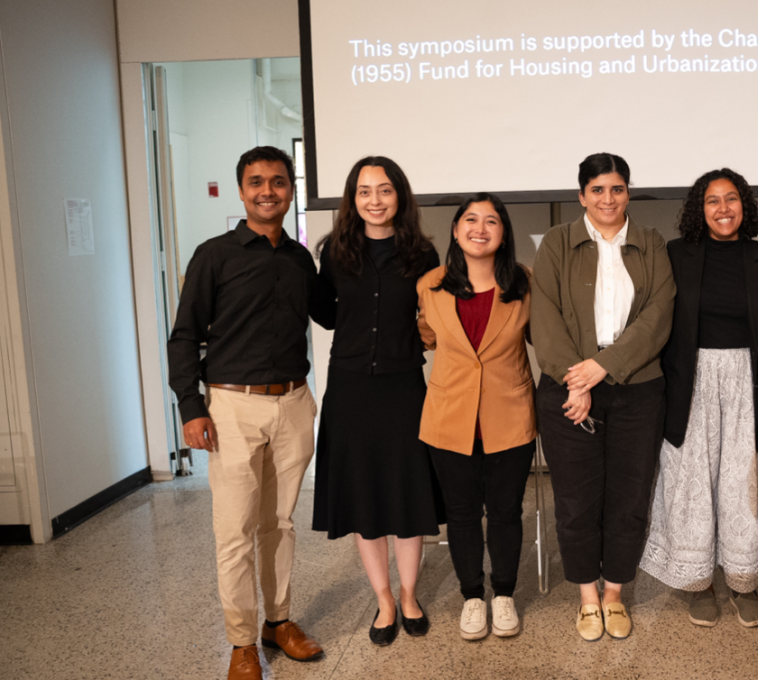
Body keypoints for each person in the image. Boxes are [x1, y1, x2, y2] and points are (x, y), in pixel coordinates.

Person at [167, 146, 323, 680]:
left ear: (291, 189)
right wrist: (191, 407)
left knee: (279, 525)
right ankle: (240, 642)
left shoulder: (301, 258)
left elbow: (331, 313)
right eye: (256, 182)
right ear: (241, 191)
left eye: (278, 182)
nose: (268, 191)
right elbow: (184, 335)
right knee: (234, 531)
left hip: (294, 403)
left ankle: (278, 623)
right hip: (231, 406)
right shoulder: (214, 255)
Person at [531, 152, 676, 641]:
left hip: (638, 390)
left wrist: (602, 368)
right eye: (597, 190)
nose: (607, 199)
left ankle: (614, 594)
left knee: (630, 498)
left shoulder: (651, 243)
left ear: (628, 193)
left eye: (616, 189)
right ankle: (587, 598)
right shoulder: (556, 243)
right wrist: (579, 382)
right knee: (575, 500)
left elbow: (659, 314)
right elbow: (544, 320)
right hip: (570, 393)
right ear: (581, 196)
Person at [640, 168, 758, 628]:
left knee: (746, 479)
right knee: (692, 481)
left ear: (745, 205)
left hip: (749, 379)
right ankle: (696, 582)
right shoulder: (676, 254)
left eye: (731, 199)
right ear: (698, 210)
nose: (723, 209)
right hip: (692, 379)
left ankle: (745, 582)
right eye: (712, 201)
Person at [311, 156, 443, 647]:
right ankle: (384, 599)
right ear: (353, 199)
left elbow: (434, 318)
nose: (374, 200)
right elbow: (326, 314)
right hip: (349, 388)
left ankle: (410, 594)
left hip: (403, 385)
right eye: (364, 191)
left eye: (384, 190)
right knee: (366, 498)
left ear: (399, 196)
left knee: (406, 495)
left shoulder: (422, 254)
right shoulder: (336, 252)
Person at [416, 193, 536, 641]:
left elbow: (544, 338)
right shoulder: (429, 285)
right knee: (462, 513)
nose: (480, 229)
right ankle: (472, 596)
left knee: (506, 511)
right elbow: (427, 336)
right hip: (449, 419)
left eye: (491, 221)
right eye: (471, 219)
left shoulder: (525, 283)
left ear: (503, 233)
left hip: (510, 415)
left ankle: (503, 593)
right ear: (455, 229)